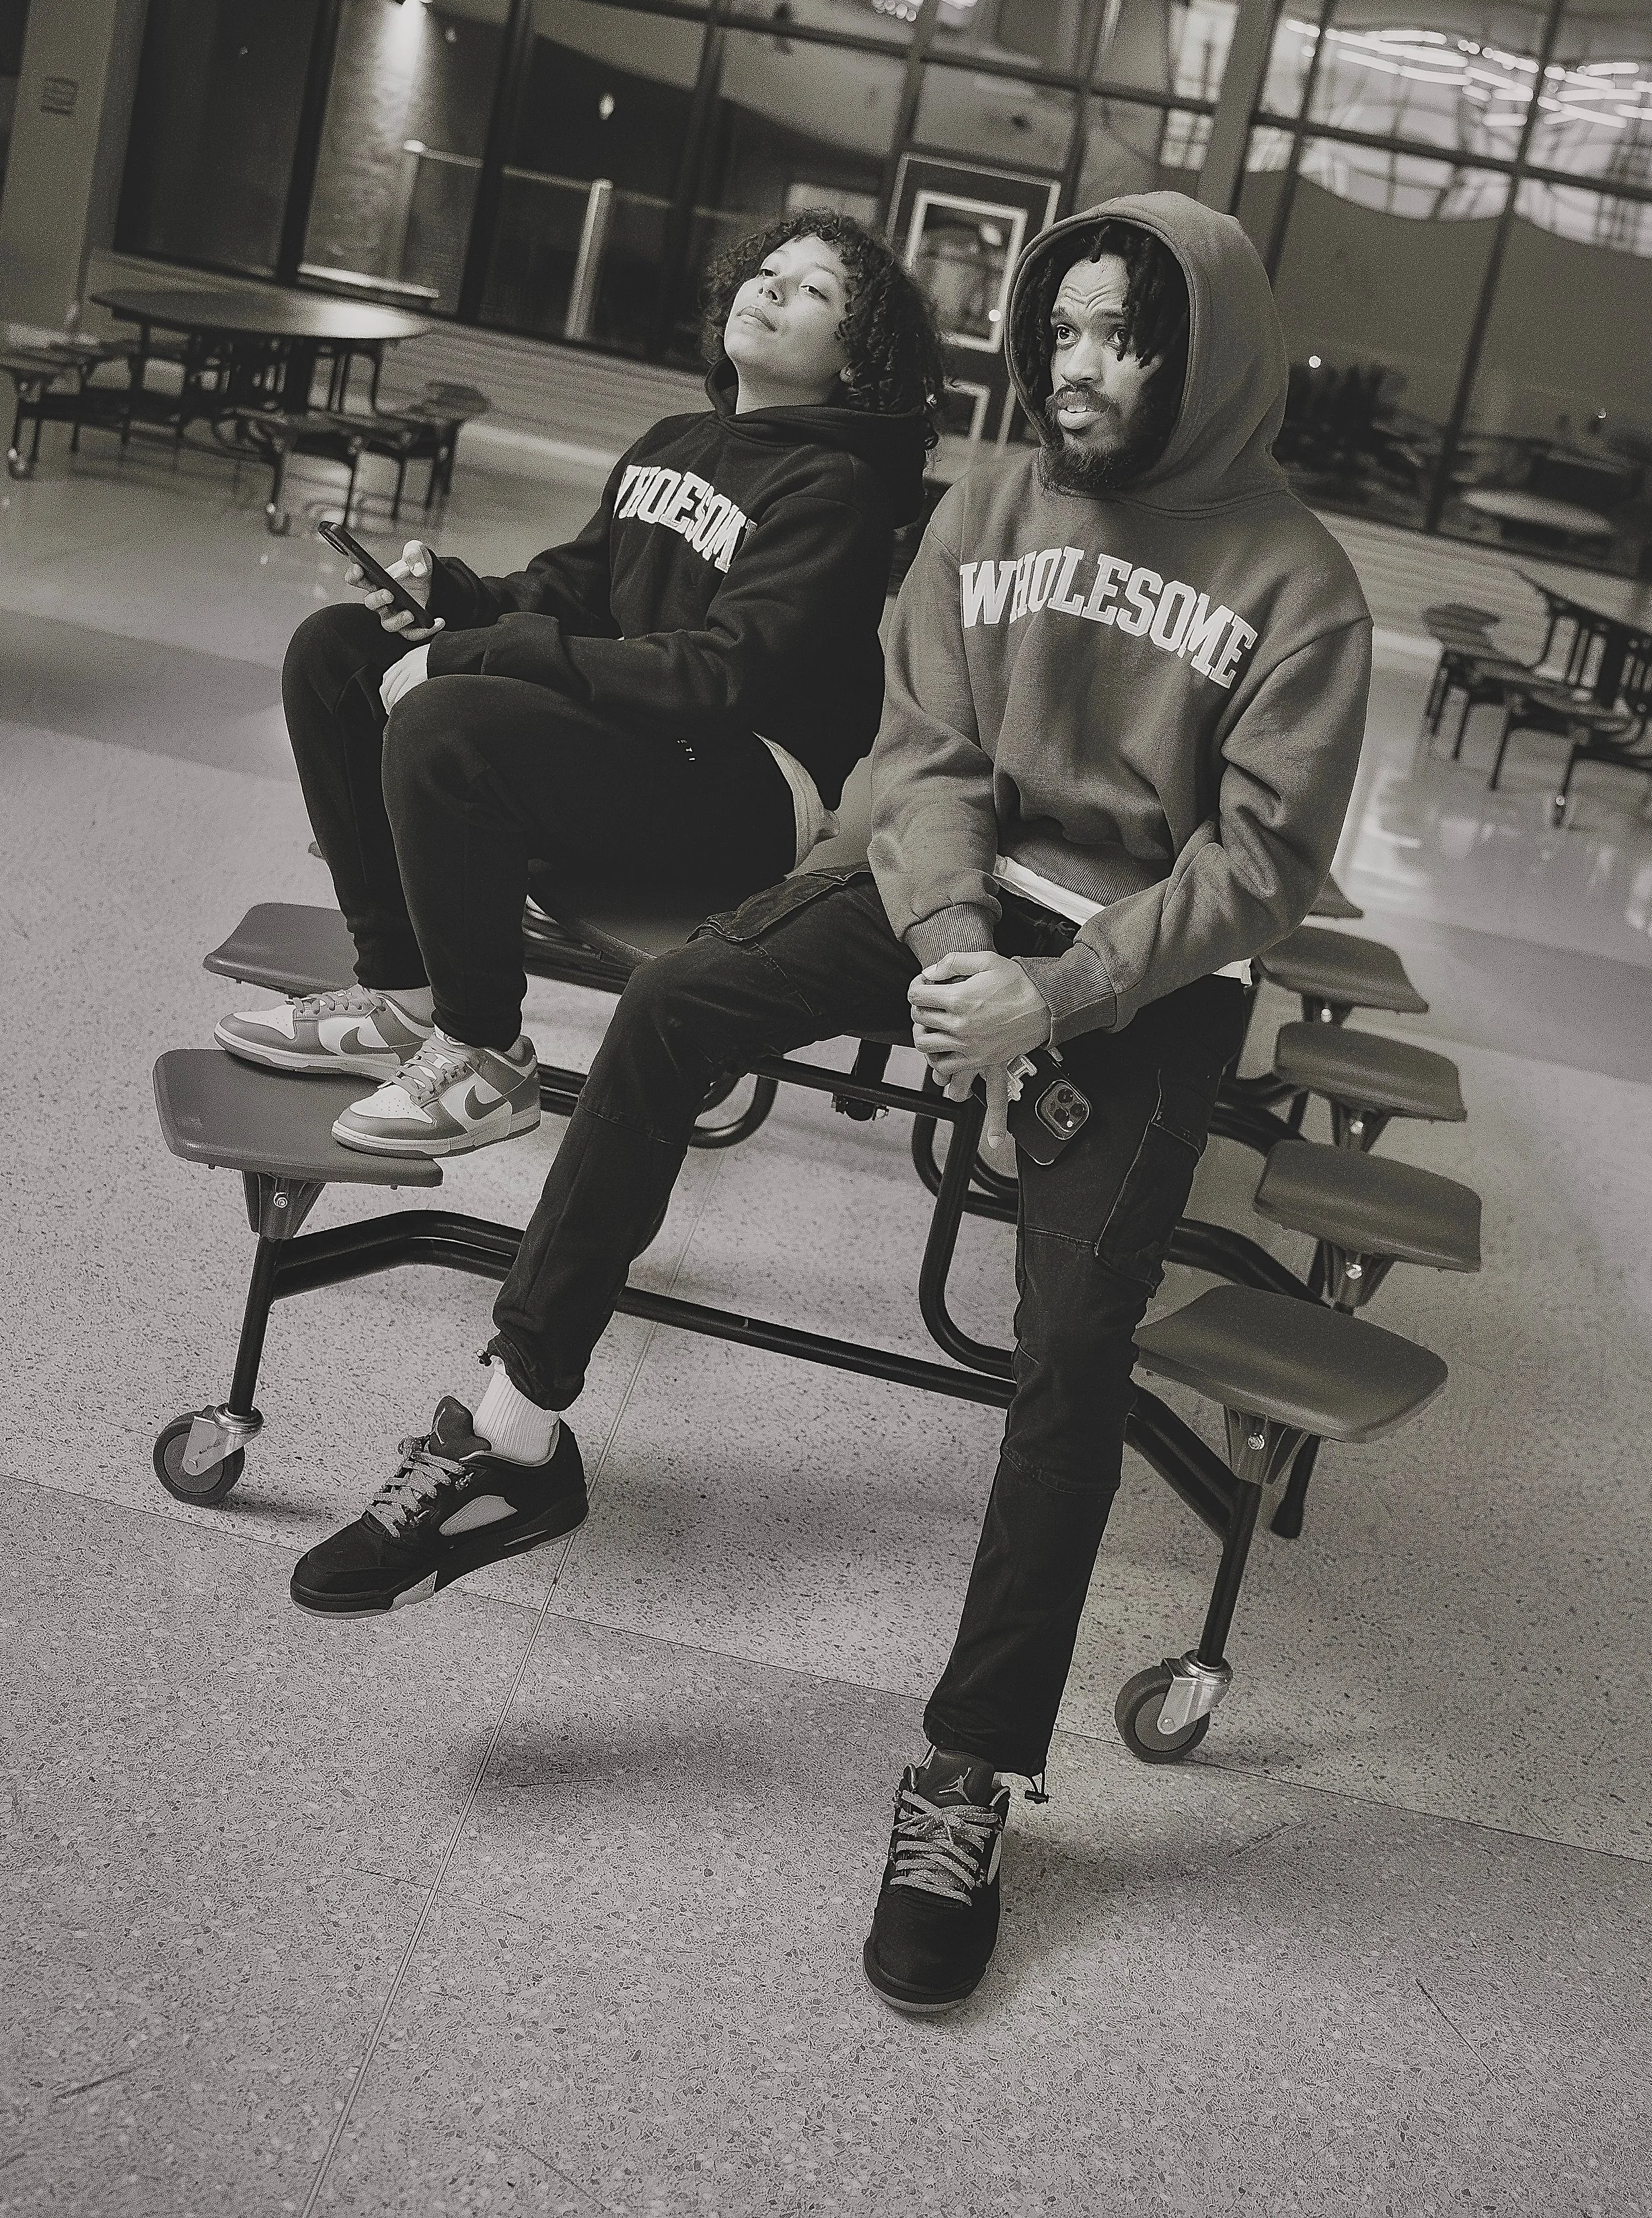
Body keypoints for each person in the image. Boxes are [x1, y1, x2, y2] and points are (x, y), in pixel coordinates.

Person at [288, 192, 1372, 2013]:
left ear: (1206, 355)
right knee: (667, 1014)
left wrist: (1060, 992)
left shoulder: (1297, 585)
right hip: (942, 901)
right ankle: (516, 1428)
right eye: (1064, 331)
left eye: (1125, 338)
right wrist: (963, 950)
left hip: (1145, 964)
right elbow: (922, 754)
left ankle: (969, 1770)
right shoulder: (991, 503)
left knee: (1076, 1335)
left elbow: (1257, 869)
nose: (1080, 368)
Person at [215, 213, 942, 1158]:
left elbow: (715, 676)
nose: (771, 288)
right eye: (766, 271)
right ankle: (401, 992)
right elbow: (567, 594)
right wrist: (453, 597)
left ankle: (485, 1055)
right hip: (646, 741)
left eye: (813, 291)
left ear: (857, 359)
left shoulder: (835, 491)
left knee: (445, 722)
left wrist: (475, 656)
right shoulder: (673, 441)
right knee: (335, 650)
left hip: (751, 788)